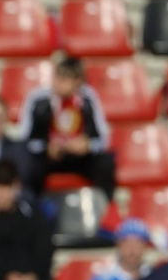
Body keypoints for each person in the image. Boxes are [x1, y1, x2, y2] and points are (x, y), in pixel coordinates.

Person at [17, 56, 116, 198]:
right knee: (28, 164)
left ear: (77, 82)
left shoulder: (88, 98)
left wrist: (87, 145)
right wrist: (46, 148)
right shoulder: (38, 98)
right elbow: (23, 138)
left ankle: (105, 211)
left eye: (64, 80)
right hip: (48, 157)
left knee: (105, 163)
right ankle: (31, 209)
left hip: (79, 158)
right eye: (57, 78)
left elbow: (103, 139)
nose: (58, 84)